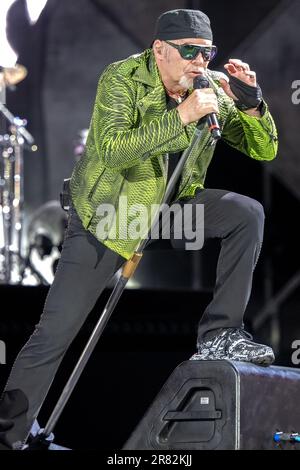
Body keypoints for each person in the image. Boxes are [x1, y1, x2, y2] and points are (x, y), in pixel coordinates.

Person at [0, 9, 278, 450]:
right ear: (160, 50)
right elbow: (112, 151)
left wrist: (251, 102)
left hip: (170, 212)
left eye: (207, 52)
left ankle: (221, 334)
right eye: (189, 52)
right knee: (55, 332)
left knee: (246, 212)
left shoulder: (205, 87)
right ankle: (11, 435)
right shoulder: (122, 78)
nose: (199, 62)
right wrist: (181, 117)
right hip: (110, 218)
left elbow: (263, 149)